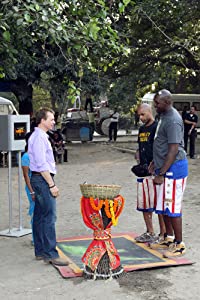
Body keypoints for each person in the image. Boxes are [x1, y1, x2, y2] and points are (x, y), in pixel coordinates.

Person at [149, 89, 188, 258]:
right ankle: (168, 237)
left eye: (157, 103)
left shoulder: (173, 120)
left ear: (167, 102)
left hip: (173, 169)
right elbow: (161, 143)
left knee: (172, 207)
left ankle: (179, 244)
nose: (155, 105)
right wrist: (154, 162)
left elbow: (173, 149)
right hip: (163, 167)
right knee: (163, 206)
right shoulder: (163, 116)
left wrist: (162, 173)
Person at [28, 107, 68, 266]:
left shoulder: (40, 136)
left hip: (39, 178)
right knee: (49, 216)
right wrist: (52, 185)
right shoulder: (39, 138)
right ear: (42, 120)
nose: (53, 122)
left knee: (39, 215)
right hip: (42, 179)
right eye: (51, 119)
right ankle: (51, 253)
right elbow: (41, 163)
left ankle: (40, 250)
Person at [134, 104, 165, 243]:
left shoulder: (157, 127)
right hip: (143, 171)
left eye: (143, 114)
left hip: (155, 171)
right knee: (144, 204)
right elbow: (140, 145)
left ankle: (163, 233)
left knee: (159, 204)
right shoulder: (141, 129)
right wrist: (138, 153)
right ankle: (150, 231)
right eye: (139, 115)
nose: (140, 118)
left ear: (149, 112)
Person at [21, 132, 35, 244]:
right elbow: (26, 176)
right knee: (34, 211)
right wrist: (31, 191)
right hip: (32, 187)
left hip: (39, 186)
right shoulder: (26, 156)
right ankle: (35, 239)